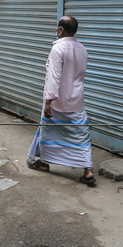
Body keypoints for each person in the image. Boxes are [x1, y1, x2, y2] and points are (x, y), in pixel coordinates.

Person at [27, 15, 95, 186]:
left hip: (57, 101)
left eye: (58, 27)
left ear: (61, 30)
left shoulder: (58, 49)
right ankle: (88, 170)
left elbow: (54, 77)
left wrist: (49, 101)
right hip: (76, 100)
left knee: (48, 131)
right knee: (81, 134)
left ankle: (43, 162)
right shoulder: (82, 49)